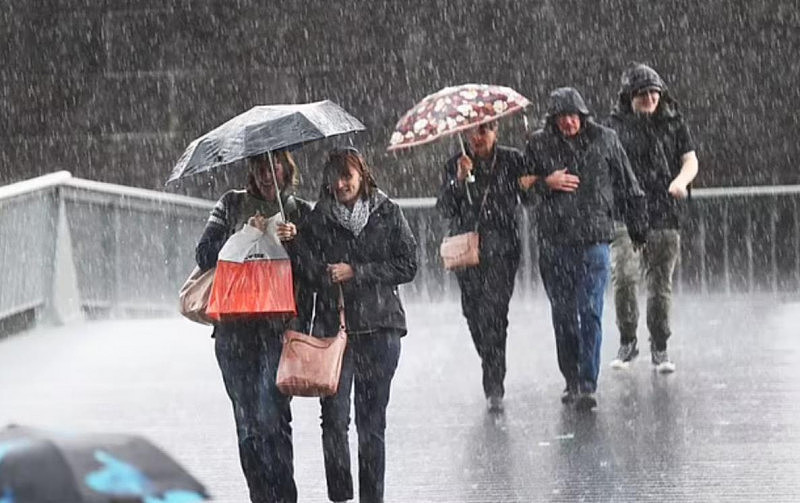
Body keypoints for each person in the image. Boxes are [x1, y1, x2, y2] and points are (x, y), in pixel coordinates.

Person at [294, 147, 417, 503]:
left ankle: (372, 499)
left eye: (347, 175)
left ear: (362, 175)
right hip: (336, 333)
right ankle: (340, 495)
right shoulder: (318, 218)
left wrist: (358, 271)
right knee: (333, 421)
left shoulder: (387, 211)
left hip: (381, 329)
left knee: (371, 424)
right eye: (334, 177)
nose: (340, 183)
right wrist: (298, 246)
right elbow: (310, 273)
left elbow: (408, 264)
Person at [195, 150, 312, 503]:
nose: (266, 172)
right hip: (234, 331)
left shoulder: (299, 210)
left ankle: (284, 497)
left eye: (273, 164)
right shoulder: (230, 205)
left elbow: (314, 272)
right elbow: (203, 255)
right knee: (247, 428)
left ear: (285, 167)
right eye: (259, 165)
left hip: (278, 330)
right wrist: (241, 235)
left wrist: (297, 242)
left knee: (271, 420)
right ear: (251, 170)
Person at [525, 87, 647, 410]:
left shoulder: (606, 139)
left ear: (583, 115)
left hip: (594, 241)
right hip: (554, 242)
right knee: (563, 315)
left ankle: (588, 383)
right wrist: (545, 183)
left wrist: (638, 227)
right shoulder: (538, 144)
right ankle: (571, 378)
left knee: (590, 310)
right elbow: (523, 192)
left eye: (573, 115)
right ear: (552, 120)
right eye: (562, 117)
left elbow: (629, 184)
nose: (568, 122)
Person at [606, 63, 699, 373]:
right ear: (629, 97)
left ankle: (659, 346)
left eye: (653, 92)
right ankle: (627, 340)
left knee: (659, 285)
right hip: (625, 214)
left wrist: (680, 182)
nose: (649, 98)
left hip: (664, 213)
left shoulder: (675, 124)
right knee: (625, 277)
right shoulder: (615, 129)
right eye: (642, 93)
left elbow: (690, 160)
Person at [435, 121, 527, 413]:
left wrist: (530, 182)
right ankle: (490, 359)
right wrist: (459, 180)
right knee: (473, 313)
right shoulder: (455, 163)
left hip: (502, 249)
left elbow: (530, 198)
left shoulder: (512, 160)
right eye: (473, 131)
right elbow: (445, 208)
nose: (478, 137)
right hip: (467, 250)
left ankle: (494, 382)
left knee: (494, 312)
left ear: (496, 131)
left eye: (485, 130)